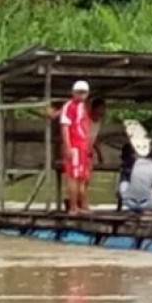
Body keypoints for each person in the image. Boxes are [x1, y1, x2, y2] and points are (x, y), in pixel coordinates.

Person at [59, 80, 92, 213]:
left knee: (81, 176)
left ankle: (80, 205)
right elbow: (65, 126)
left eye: (83, 92)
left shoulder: (83, 106)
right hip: (74, 146)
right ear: (73, 92)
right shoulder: (69, 106)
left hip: (82, 146)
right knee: (73, 175)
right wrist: (68, 146)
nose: (81, 94)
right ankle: (73, 206)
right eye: (79, 92)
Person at [120, 137, 152, 214]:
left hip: (129, 203)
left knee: (125, 181)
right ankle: (146, 208)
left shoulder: (137, 161)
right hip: (147, 205)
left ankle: (129, 203)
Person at [88, 97, 107, 165]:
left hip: (89, 154)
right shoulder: (85, 121)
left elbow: (94, 139)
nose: (104, 110)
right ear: (95, 108)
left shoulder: (99, 123)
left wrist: (99, 154)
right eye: (101, 108)